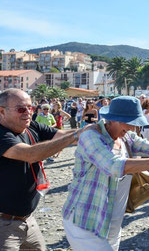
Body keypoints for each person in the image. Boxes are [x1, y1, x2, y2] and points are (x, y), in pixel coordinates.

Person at [62, 96, 149, 251]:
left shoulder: (125, 136)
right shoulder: (91, 136)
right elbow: (115, 165)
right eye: (130, 123)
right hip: (86, 219)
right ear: (113, 120)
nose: (133, 128)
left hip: (111, 221)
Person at [0, 89, 83, 251]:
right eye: (21, 109)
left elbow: (62, 135)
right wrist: (77, 136)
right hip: (4, 224)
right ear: (2, 111)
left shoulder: (32, 127)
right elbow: (29, 154)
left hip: (27, 220)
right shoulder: (2, 134)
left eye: (31, 108)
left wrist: (95, 131)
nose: (28, 113)